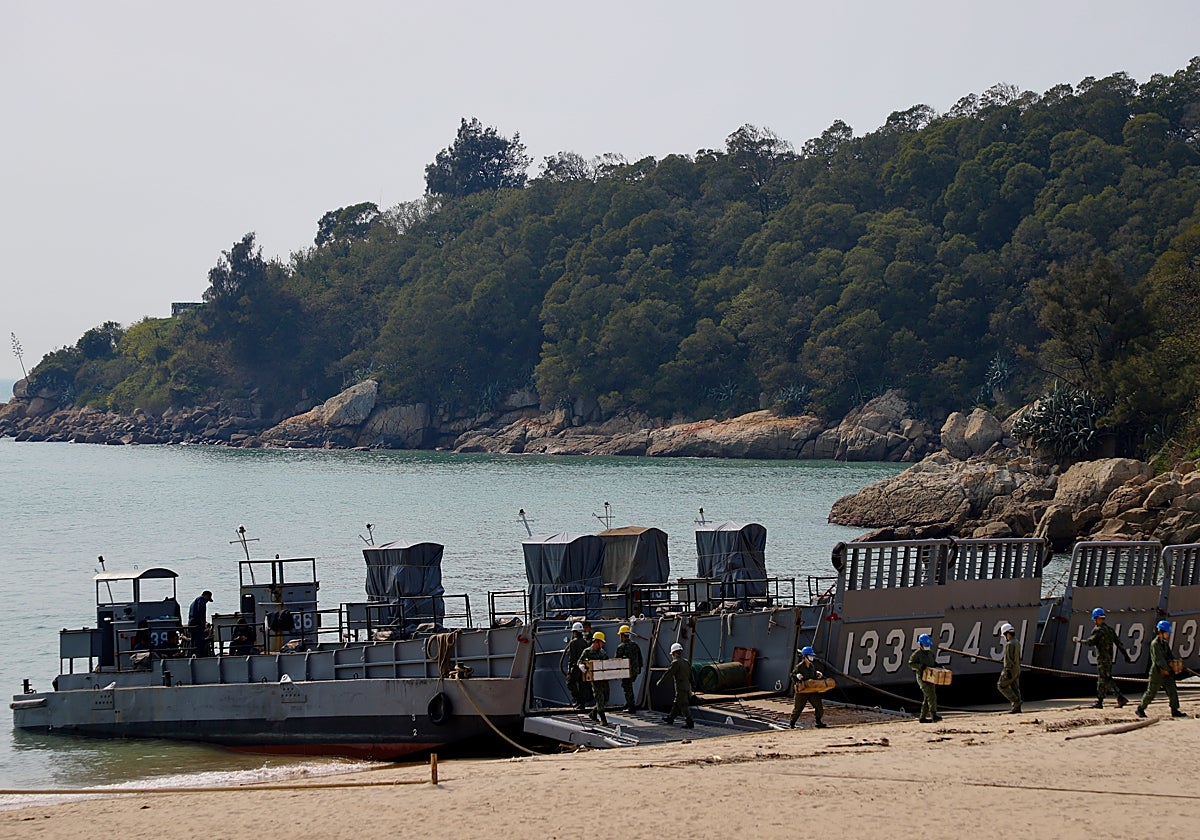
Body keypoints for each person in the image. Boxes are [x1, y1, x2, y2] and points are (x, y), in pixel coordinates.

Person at [1073, 607, 1130, 708]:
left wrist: (1079, 640)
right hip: (1109, 659)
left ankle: (1120, 697)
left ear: (1098, 619)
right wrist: (1126, 655)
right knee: (1101, 680)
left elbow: (1090, 642)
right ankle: (1100, 701)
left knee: (1106, 679)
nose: (1095, 622)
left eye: (1095, 619)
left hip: (1102, 659)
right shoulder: (1110, 630)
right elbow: (1119, 644)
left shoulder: (1098, 631)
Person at [1135, 620, 1187, 719]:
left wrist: (1175, 663)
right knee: (1151, 692)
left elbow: (1169, 656)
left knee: (1172, 690)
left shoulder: (1165, 644)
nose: (1168, 634)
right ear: (1161, 632)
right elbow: (1158, 660)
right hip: (1157, 673)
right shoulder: (1155, 644)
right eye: (1167, 632)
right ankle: (1140, 709)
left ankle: (1175, 710)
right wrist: (1169, 668)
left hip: (1167, 673)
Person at [656, 641, 694, 728]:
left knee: (683, 705)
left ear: (674, 653)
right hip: (687, 687)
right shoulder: (686, 662)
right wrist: (693, 684)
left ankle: (689, 722)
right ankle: (670, 718)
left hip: (680, 688)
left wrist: (660, 681)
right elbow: (691, 675)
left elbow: (669, 673)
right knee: (676, 704)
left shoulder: (675, 663)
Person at [789, 646, 828, 729]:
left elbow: (813, 675)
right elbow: (792, 675)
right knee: (798, 709)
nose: (812, 657)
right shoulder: (799, 666)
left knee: (819, 706)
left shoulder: (811, 666)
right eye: (810, 655)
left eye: (812, 656)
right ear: (805, 656)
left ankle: (818, 721)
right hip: (802, 690)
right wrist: (797, 676)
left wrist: (817, 674)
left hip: (811, 689)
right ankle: (792, 723)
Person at [578, 630, 611, 724]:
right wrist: (582, 666)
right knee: (599, 698)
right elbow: (580, 661)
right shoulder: (587, 651)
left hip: (604, 678)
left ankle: (593, 713)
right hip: (595, 679)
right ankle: (603, 720)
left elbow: (607, 662)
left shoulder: (602, 652)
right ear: (596, 641)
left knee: (606, 698)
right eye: (601, 642)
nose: (602, 645)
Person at [908, 633, 942, 723]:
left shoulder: (930, 653)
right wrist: (920, 666)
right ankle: (933, 715)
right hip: (922, 677)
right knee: (931, 696)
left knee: (927, 697)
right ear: (920, 645)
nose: (927, 646)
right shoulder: (917, 654)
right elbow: (911, 663)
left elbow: (932, 662)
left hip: (931, 677)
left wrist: (937, 665)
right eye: (925, 645)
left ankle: (922, 717)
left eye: (928, 645)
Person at [560, 622, 589, 710]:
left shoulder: (573, 642)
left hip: (575, 667)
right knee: (582, 685)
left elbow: (572, 656)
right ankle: (582, 704)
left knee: (570, 682)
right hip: (583, 666)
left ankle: (578, 700)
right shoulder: (585, 642)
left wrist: (570, 668)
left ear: (575, 632)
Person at [615, 624, 644, 713]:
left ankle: (631, 707)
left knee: (627, 688)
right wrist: (639, 668)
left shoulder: (621, 647)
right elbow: (640, 658)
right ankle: (629, 703)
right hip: (635, 670)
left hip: (626, 671)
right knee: (629, 686)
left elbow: (617, 660)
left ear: (623, 635)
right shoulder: (635, 645)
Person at [996, 622, 1022, 714]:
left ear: (1007, 634)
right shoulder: (1017, 642)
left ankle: (1015, 701)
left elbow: (1008, 659)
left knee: (1001, 685)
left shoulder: (1009, 644)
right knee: (1015, 687)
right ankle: (1017, 708)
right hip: (1017, 668)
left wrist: (1007, 671)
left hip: (1010, 668)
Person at [187, 590, 214, 657]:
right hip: (197, 624)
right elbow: (201, 612)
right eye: (208, 599)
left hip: (191, 623)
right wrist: (203, 623)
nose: (207, 601)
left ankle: (193, 654)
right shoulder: (201, 600)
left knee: (193, 641)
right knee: (199, 641)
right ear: (206, 596)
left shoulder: (194, 602)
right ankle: (200, 655)